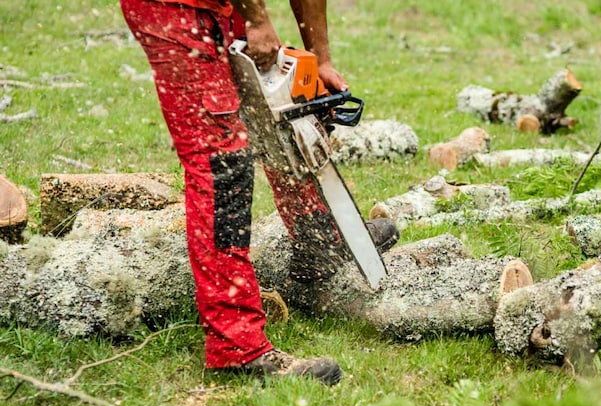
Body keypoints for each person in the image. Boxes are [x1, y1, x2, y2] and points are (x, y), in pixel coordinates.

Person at [119, 0, 398, 385]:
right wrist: (257, 19)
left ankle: (320, 246)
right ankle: (236, 346)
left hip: (226, 5)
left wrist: (319, 58)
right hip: (176, 9)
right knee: (221, 167)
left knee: (285, 109)